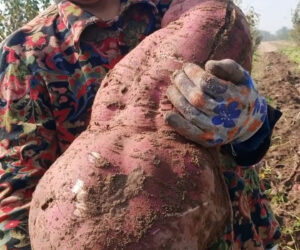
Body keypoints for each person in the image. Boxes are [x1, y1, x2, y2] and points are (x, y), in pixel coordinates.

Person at [0, 0, 281, 249]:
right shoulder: (26, 54)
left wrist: (252, 123)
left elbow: (253, 144)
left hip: (242, 233)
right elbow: (18, 190)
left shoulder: (189, 9)